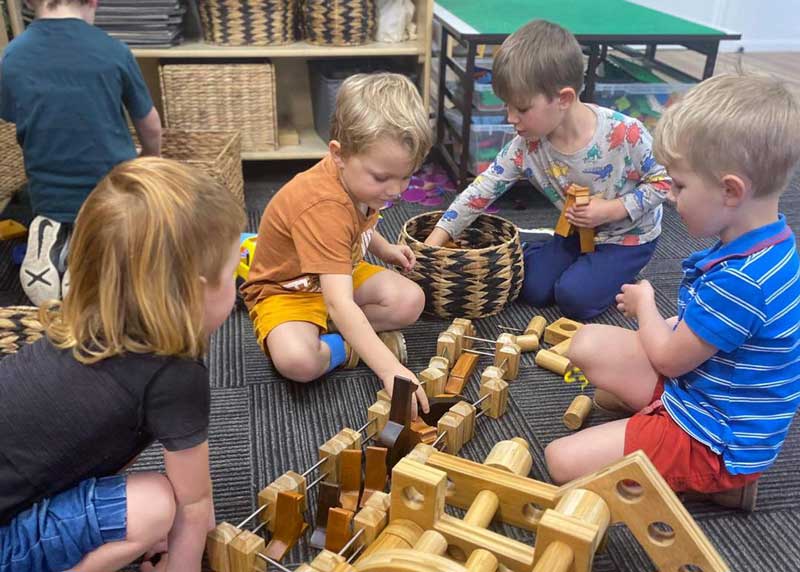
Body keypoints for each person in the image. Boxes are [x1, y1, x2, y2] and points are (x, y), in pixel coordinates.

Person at [544, 74, 800, 511]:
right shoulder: (767, 242)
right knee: (585, 342)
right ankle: (653, 429)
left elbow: (667, 358)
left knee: (560, 460)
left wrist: (646, 306)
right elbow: (704, 334)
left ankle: (720, 483)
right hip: (704, 389)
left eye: (679, 186)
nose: (671, 197)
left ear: (731, 190)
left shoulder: (743, 281)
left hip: (713, 438)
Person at [0, 157, 245, 571]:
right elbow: (195, 503)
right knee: (157, 505)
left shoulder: (85, 322)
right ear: (195, 293)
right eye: (233, 267)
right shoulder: (174, 376)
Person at [424, 20, 670, 320]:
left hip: (628, 238)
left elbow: (664, 182)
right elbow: (481, 190)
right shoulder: (525, 145)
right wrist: (432, 244)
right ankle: (548, 252)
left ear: (563, 99)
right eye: (507, 107)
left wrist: (613, 209)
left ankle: (621, 273)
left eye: (522, 109)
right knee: (532, 287)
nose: (511, 118)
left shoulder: (627, 133)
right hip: (574, 234)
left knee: (574, 298)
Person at [241, 73, 431, 417]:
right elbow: (340, 302)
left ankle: (346, 332)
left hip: (340, 273)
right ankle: (347, 344)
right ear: (338, 154)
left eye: (406, 176)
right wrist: (389, 368)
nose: (396, 191)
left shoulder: (361, 183)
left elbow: (359, 227)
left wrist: (385, 250)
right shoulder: (323, 206)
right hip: (287, 290)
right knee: (298, 361)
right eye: (382, 177)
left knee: (411, 301)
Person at [0, 0, 162, 305]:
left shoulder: (12, 57)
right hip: (111, 190)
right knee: (122, 226)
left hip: (47, 193)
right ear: (93, 1)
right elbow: (150, 125)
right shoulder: (113, 51)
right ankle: (87, 262)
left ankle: (51, 236)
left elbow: (14, 117)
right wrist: (150, 159)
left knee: (56, 210)